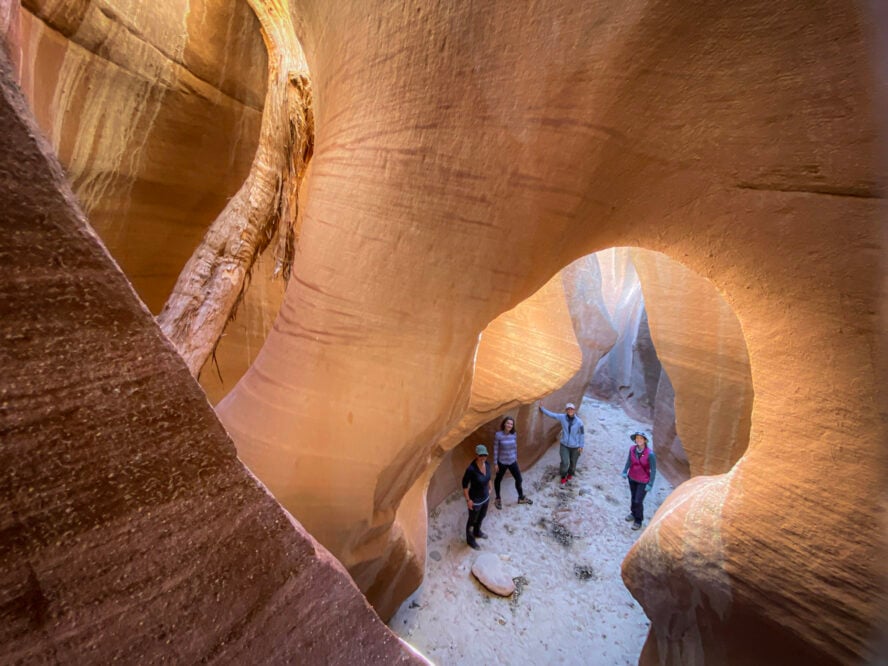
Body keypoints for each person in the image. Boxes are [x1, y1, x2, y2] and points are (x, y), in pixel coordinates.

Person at [539, 401, 585, 485]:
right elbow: (552, 415)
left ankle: (570, 474)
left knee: (573, 464)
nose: (570, 410)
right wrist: (542, 408)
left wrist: (581, 446)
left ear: (574, 410)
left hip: (575, 446)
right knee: (565, 462)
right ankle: (563, 476)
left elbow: (582, 435)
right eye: (568, 409)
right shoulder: (562, 417)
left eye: (571, 409)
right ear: (566, 410)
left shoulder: (579, 422)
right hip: (564, 445)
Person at [493, 416, 533, 509]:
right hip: (502, 462)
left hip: (512, 461)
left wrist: (515, 457)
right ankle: (498, 498)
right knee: (498, 480)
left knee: (519, 479)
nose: (509, 425)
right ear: (504, 424)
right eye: (508, 423)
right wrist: (495, 463)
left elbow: (515, 446)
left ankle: (521, 498)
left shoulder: (514, 434)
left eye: (511, 424)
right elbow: (495, 449)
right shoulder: (498, 435)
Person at [621, 432, 657, 530]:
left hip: (643, 480)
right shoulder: (632, 449)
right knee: (633, 497)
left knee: (638, 500)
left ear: (645, 440)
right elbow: (629, 460)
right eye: (637, 438)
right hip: (632, 477)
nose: (638, 440)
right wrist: (625, 471)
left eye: (641, 438)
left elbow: (653, 470)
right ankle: (633, 513)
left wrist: (650, 484)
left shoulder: (650, 454)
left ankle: (638, 520)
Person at [462, 444, 493, 550]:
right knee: (472, 520)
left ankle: (477, 532)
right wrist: (468, 500)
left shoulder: (487, 464)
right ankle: (470, 540)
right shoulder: (471, 469)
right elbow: (465, 486)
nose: (483, 457)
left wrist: (490, 487)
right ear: (477, 455)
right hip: (475, 500)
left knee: (482, 516)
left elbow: (489, 477)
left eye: (485, 455)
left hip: (485, 497)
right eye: (481, 455)